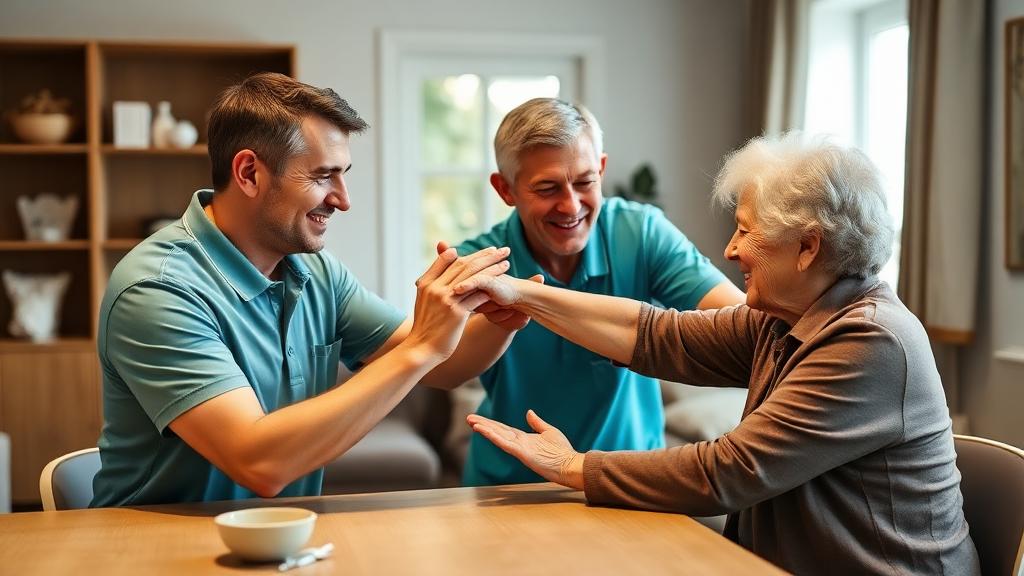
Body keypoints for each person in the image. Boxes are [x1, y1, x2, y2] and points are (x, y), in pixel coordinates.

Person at [459, 134, 981, 574]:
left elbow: (730, 471)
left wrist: (575, 466)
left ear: (808, 247)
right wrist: (521, 293)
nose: (730, 250)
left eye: (747, 231)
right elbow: (659, 335)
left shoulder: (870, 340)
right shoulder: (786, 319)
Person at [91, 73, 520, 506]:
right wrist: (421, 347)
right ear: (248, 174)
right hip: (150, 546)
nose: (343, 199)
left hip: (280, 539)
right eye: (322, 176)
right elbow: (258, 462)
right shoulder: (158, 289)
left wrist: (506, 317)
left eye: (343, 175)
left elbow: (445, 366)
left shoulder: (315, 270)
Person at [450, 98, 744, 486]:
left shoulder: (641, 234)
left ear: (602, 169)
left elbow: (743, 325)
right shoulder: (479, 261)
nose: (570, 205)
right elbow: (446, 370)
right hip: (510, 485)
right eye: (547, 188)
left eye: (585, 181)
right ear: (505, 189)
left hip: (630, 480)